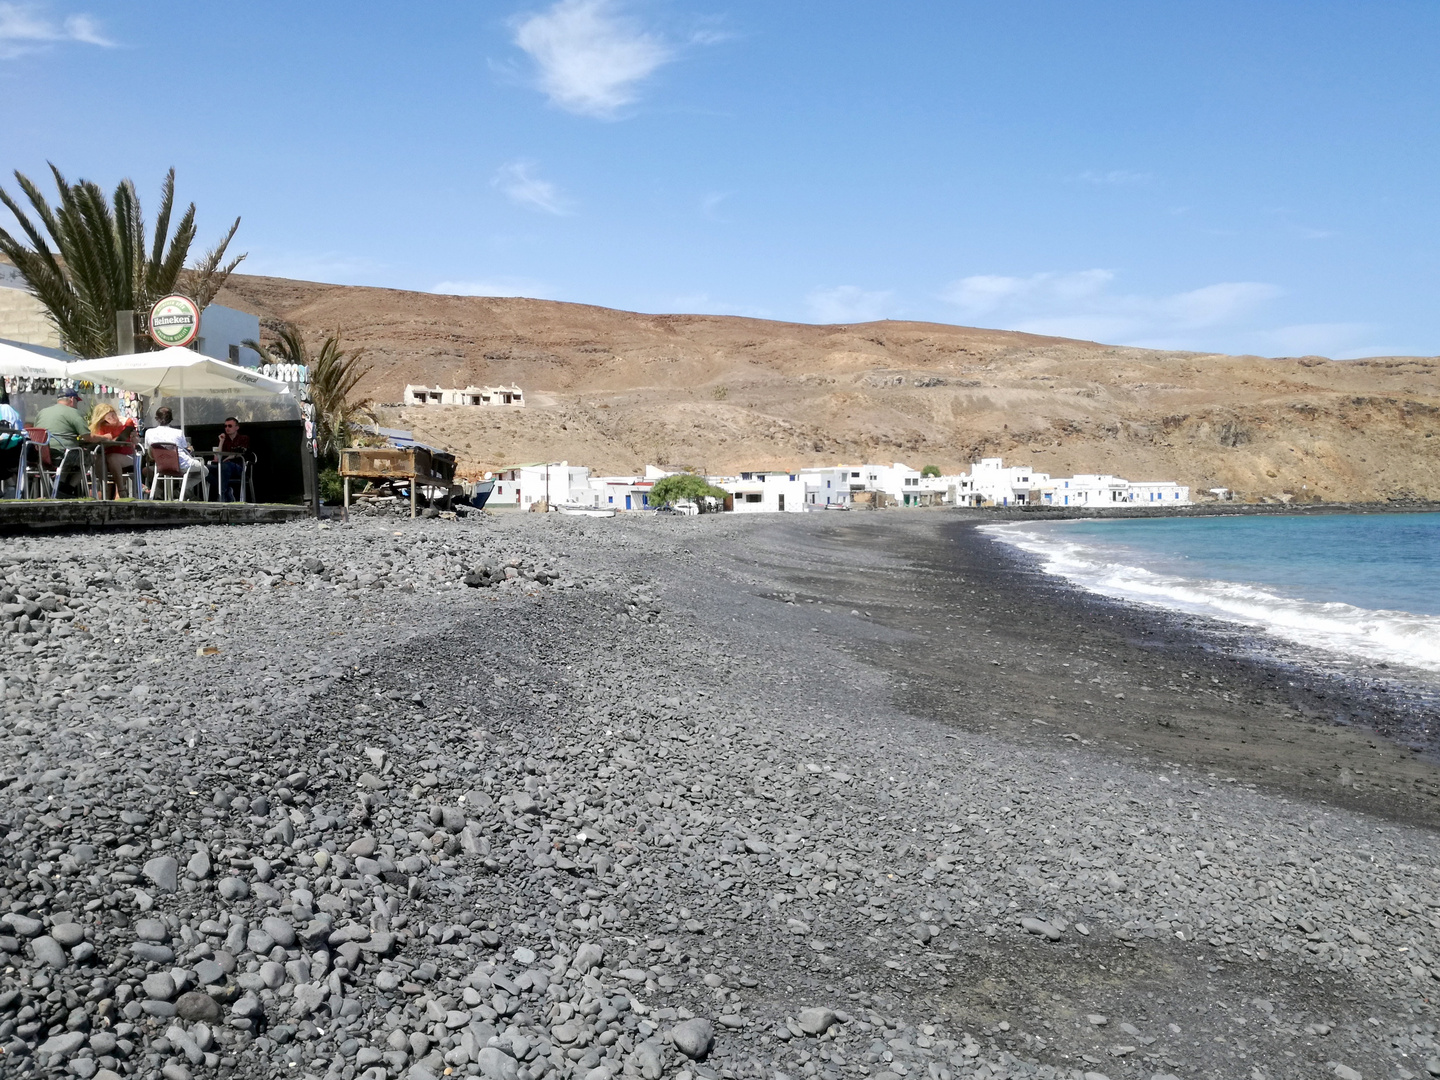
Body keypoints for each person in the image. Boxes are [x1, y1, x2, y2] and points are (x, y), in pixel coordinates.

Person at [34, 386, 90, 496]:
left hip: (40, 456)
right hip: (62, 455)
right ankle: (67, 489)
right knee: (89, 457)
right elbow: (87, 437)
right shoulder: (73, 412)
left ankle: (59, 488)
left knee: (69, 459)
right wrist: (105, 437)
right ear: (72, 399)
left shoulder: (42, 412)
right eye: (77, 401)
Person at [143, 406, 203, 497]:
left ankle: (166, 492)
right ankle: (182, 489)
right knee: (204, 470)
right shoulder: (178, 432)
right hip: (181, 465)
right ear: (171, 419)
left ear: (156, 419)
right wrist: (190, 449)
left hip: (161, 466)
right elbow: (184, 450)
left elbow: (149, 451)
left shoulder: (149, 432)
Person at [87, 402, 138, 500]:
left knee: (112, 457)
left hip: (128, 455)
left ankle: (121, 490)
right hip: (106, 455)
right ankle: (105, 488)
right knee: (98, 459)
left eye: (113, 414)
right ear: (102, 418)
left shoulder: (126, 423)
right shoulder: (100, 427)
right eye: (109, 417)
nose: (113, 418)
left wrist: (134, 437)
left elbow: (136, 441)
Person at [208, 416, 251, 500]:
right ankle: (227, 491)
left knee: (226, 465)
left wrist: (229, 457)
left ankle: (221, 496)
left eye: (230, 426)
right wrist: (221, 441)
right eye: (225, 426)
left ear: (237, 427)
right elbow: (218, 455)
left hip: (238, 466)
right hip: (224, 466)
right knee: (205, 469)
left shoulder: (243, 438)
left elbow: (243, 452)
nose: (227, 428)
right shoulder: (224, 440)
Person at [0, 386, 22, 497]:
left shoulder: (4, 409)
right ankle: (11, 486)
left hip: (14, 448)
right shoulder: (6, 409)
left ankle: (12, 487)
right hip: (10, 447)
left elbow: (9, 430)